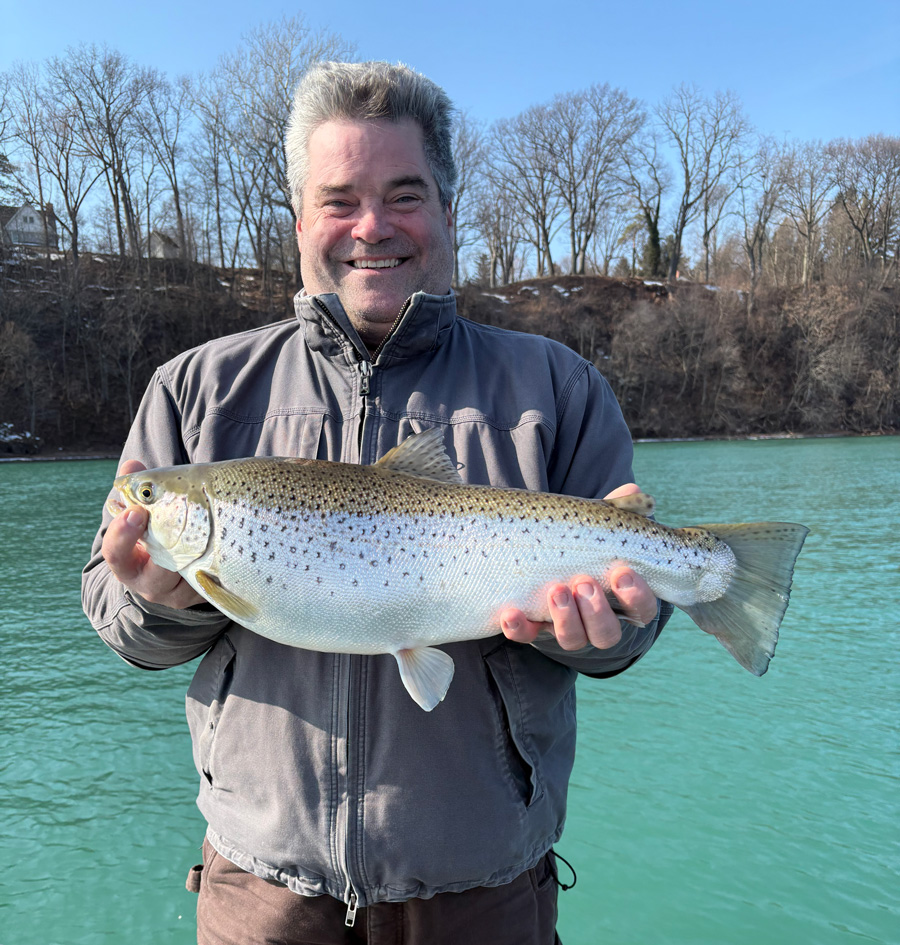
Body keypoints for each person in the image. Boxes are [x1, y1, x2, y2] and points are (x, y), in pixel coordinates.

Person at [83, 61, 671, 945]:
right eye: (340, 199)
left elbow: (627, 626)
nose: (372, 227)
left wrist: (612, 626)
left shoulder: (559, 386)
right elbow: (114, 611)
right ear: (299, 221)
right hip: (260, 896)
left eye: (404, 194)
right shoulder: (190, 392)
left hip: (488, 895)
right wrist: (152, 603)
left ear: (446, 210)